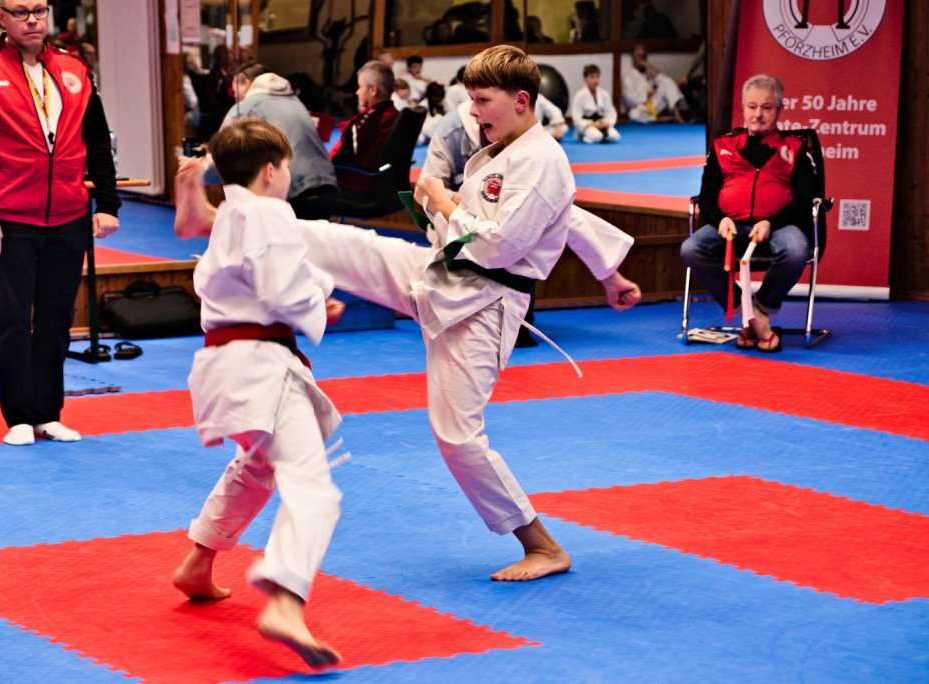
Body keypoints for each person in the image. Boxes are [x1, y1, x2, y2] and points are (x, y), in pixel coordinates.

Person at [176, 46, 634, 581]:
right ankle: (213, 218)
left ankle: (542, 545)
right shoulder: (509, 148)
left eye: (483, 100)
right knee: (336, 242)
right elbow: (567, 217)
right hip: (441, 273)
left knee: (458, 437)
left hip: (483, 306)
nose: (474, 111)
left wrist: (443, 201)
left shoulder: (542, 161)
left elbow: (499, 246)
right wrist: (610, 273)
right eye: (472, 100)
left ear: (521, 100)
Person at [172, 118, 344, 669]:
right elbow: (280, 287)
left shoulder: (233, 213)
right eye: (288, 167)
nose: (289, 176)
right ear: (271, 171)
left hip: (224, 364)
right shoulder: (269, 212)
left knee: (258, 465)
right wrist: (316, 303)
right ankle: (286, 602)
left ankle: (199, 561)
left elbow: (197, 231)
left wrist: (192, 199)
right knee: (311, 487)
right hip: (260, 366)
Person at [0, 0, 120, 446]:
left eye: (40, 10)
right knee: (11, 320)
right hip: (9, 217)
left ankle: (48, 412)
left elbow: (97, 138)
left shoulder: (75, 69)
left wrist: (108, 203)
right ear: (1, 17)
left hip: (68, 215)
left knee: (57, 320)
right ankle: (19, 416)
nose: (32, 20)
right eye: (21, 11)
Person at [420, 99, 640, 313]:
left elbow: (563, 217)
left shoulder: (519, 132)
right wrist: (458, 201)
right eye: (476, 100)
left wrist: (609, 277)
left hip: (508, 244)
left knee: (561, 210)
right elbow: (425, 188)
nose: (478, 113)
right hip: (454, 235)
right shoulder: (450, 131)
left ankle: (609, 277)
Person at [680, 74, 816, 352]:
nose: (758, 114)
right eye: (752, 107)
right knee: (690, 249)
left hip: (778, 227)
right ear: (743, 108)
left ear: (780, 110)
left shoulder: (795, 149)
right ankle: (749, 314)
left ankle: (759, 310)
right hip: (730, 227)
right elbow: (706, 196)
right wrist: (720, 219)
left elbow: (805, 199)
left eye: (767, 108)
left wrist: (771, 222)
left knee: (796, 249)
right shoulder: (722, 147)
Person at [218, 68, 339, 221]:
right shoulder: (295, 102)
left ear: (247, 83)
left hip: (296, 194)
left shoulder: (246, 107)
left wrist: (197, 170)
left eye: (235, 89)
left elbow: (220, 156)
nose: (234, 95)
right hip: (329, 188)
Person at [328, 60, 398, 197]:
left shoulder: (368, 122)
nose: (357, 92)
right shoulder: (395, 115)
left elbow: (337, 158)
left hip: (358, 184)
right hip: (383, 182)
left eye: (360, 87)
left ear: (372, 90)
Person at [622, 44, 689, 123]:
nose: (640, 59)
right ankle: (666, 118)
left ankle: (677, 115)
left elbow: (663, 79)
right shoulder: (628, 75)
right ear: (633, 57)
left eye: (643, 56)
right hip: (642, 106)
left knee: (667, 81)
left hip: (654, 103)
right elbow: (628, 98)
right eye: (638, 56)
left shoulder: (648, 72)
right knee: (633, 114)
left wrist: (649, 66)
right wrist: (646, 96)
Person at [570, 64, 620, 143]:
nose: (595, 80)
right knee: (597, 136)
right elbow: (576, 118)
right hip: (587, 125)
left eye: (597, 77)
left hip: (601, 123)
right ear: (585, 79)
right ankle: (582, 136)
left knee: (614, 136)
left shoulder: (604, 94)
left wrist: (607, 123)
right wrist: (591, 124)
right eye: (592, 77)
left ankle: (599, 136)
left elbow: (611, 112)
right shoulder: (579, 96)